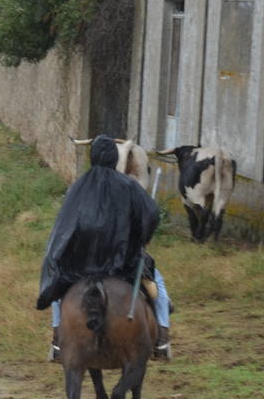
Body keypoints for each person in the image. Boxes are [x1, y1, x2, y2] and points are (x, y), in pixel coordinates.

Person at [38, 134, 172, 362]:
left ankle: (58, 340)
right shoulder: (130, 185)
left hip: (81, 264)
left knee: (57, 288)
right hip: (123, 262)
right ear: (113, 158)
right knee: (156, 282)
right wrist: (142, 237)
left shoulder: (77, 187)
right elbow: (150, 215)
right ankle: (162, 338)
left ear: (93, 157)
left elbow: (66, 224)